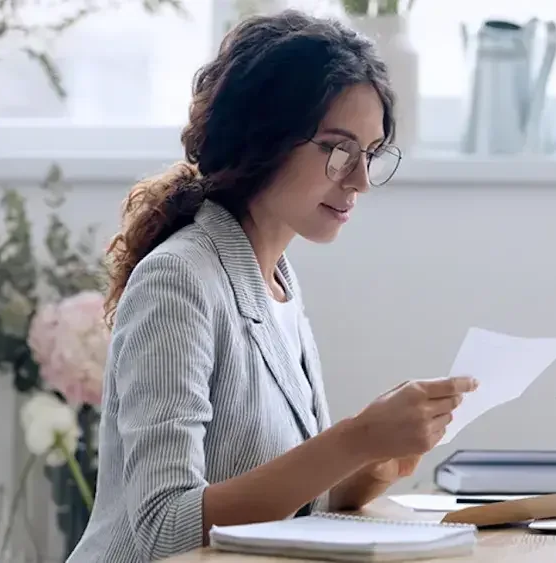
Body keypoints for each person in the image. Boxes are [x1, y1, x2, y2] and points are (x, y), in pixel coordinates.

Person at [66, 10, 478, 562]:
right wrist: (354, 437)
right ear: (264, 136)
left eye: (370, 154)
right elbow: (166, 530)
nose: (359, 180)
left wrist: (377, 457)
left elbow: (289, 501)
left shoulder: (277, 280)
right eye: (337, 148)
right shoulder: (178, 281)